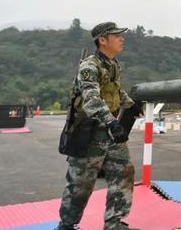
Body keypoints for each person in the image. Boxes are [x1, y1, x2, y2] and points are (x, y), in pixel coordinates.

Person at [56, 22, 137, 230]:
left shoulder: (113, 65)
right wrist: (112, 122)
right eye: (116, 35)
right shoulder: (89, 66)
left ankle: (114, 223)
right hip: (88, 133)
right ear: (103, 40)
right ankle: (66, 225)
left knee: (124, 172)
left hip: (110, 134)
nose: (122, 38)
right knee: (80, 185)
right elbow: (91, 99)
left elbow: (116, 92)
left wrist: (133, 105)